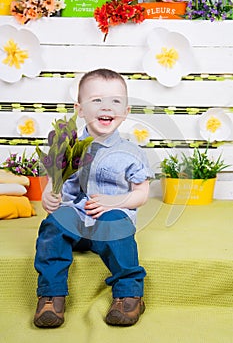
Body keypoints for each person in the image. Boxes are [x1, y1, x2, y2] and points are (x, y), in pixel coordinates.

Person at [34, 68, 153, 328]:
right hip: (76, 221)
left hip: (108, 222)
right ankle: (51, 295)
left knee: (116, 224)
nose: (106, 107)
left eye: (115, 101)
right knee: (54, 223)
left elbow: (142, 193)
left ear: (126, 111)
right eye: (97, 100)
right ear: (80, 108)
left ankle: (129, 293)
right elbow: (57, 182)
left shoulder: (130, 152)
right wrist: (48, 197)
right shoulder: (70, 146)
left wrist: (115, 202)